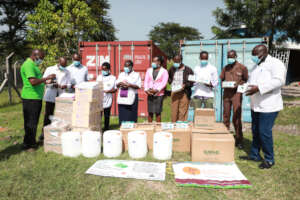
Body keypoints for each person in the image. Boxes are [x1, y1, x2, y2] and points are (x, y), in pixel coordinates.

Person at [241, 44, 286, 169]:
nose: (253, 57)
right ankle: (254, 154)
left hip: (269, 105)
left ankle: (269, 159)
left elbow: (279, 81)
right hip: (256, 104)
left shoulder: (276, 63)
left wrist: (259, 88)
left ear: (263, 53)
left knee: (264, 132)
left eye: (255, 54)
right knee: (255, 130)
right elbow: (252, 82)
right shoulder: (256, 66)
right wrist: (244, 86)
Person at [20, 49, 56, 151]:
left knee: (31, 121)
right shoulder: (28, 65)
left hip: (35, 97)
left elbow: (37, 81)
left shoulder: (33, 65)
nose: (41, 60)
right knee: (31, 122)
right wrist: (46, 78)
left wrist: (47, 82)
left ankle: (28, 142)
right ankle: (30, 145)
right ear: (35, 56)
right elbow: (33, 81)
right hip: (31, 98)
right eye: (41, 58)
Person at [220, 50, 248, 149]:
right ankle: (225, 136)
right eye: (228, 57)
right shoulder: (226, 68)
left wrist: (239, 84)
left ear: (235, 56)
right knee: (226, 115)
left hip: (236, 94)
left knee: (236, 116)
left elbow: (245, 79)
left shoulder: (242, 67)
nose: (229, 58)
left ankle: (239, 139)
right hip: (227, 94)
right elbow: (222, 78)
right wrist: (224, 84)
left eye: (231, 56)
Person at [40, 57, 71, 141]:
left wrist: (66, 86)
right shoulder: (50, 69)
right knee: (48, 114)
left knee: (61, 114)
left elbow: (69, 83)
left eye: (65, 65)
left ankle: (59, 133)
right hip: (51, 94)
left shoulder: (67, 71)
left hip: (61, 94)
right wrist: (52, 84)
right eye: (62, 65)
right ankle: (44, 133)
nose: (64, 67)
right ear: (59, 62)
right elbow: (44, 81)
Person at [168, 55, 194, 122]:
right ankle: (173, 124)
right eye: (175, 61)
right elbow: (169, 78)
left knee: (183, 110)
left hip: (184, 92)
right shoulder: (172, 69)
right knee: (174, 109)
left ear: (181, 60)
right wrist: (171, 82)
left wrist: (185, 85)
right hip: (174, 92)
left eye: (177, 61)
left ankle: (181, 125)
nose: (176, 62)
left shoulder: (188, 70)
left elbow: (192, 82)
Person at [116, 60, 141, 125]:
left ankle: (131, 128)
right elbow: (117, 84)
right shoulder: (121, 74)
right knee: (122, 114)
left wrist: (129, 85)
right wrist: (120, 83)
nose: (126, 67)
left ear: (131, 66)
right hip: (122, 96)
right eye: (125, 66)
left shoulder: (136, 75)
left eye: (127, 66)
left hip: (131, 96)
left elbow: (138, 86)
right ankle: (122, 127)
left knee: (131, 115)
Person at [144, 56, 169, 122]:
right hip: (150, 93)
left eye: (155, 61)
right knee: (150, 112)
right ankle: (150, 126)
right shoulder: (149, 70)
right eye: (153, 61)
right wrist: (146, 90)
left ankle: (158, 127)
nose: (153, 63)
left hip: (159, 94)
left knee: (158, 112)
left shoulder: (164, 71)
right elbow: (146, 81)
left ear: (159, 62)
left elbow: (164, 83)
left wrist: (157, 90)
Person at [96, 62, 117, 131]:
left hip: (108, 99)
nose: (103, 71)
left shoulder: (113, 78)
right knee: (99, 116)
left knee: (107, 115)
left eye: (105, 69)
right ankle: (98, 128)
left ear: (108, 69)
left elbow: (115, 89)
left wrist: (109, 91)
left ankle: (106, 128)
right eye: (102, 69)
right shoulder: (99, 77)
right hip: (100, 99)